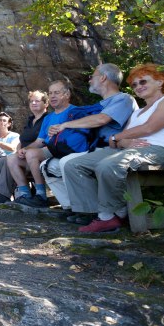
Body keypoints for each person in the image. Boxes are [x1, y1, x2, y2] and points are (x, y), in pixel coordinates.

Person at [66, 64, 164, 233]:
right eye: (134, 85)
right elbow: (118, 141)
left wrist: (117, 138)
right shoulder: (138, 113)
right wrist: (121, 140)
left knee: (108, 165)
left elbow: (149, 128)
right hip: (131, 151)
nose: (138, 87)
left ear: (160, 82)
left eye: (143, 81)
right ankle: (98, 213)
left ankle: (110, 215)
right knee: (74, 165)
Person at [42, 63, 138, 219]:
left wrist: (65, 125)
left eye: (91, 77)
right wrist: (60, 129)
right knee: (48, 166)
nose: (89, 80)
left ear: (103, 77)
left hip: (114, 149)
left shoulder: (124, 99)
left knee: (67, 163)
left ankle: (93, 212)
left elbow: (102, 119)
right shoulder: (100, 104)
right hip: (95, 148)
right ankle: (73, 206)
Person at [6, 80, 88, 208]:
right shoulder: (48, 118)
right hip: (51, 150)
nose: (52, 96)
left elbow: (84, 134)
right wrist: (24, 149)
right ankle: (24, 194)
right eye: (50, 93)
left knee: (32, 153)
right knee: (12, 158)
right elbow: (40, 141)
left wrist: (63, 129)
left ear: (67, 95)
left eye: (57, 93)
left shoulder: (77, 111)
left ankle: (41, 195)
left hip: (69, 150)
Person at [0, 91, 49, 203]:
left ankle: (31, 194)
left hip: (38, 156)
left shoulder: (48, 119)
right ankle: (4, 195)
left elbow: (41, 141)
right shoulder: (31, 120)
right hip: (25, 155)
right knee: (3, 160)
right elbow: (22, 140)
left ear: (46, 104)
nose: (33, 103)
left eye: (37, 101)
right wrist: (19, 149)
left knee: (8, 160)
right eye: (31, 101)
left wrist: (24, 150)